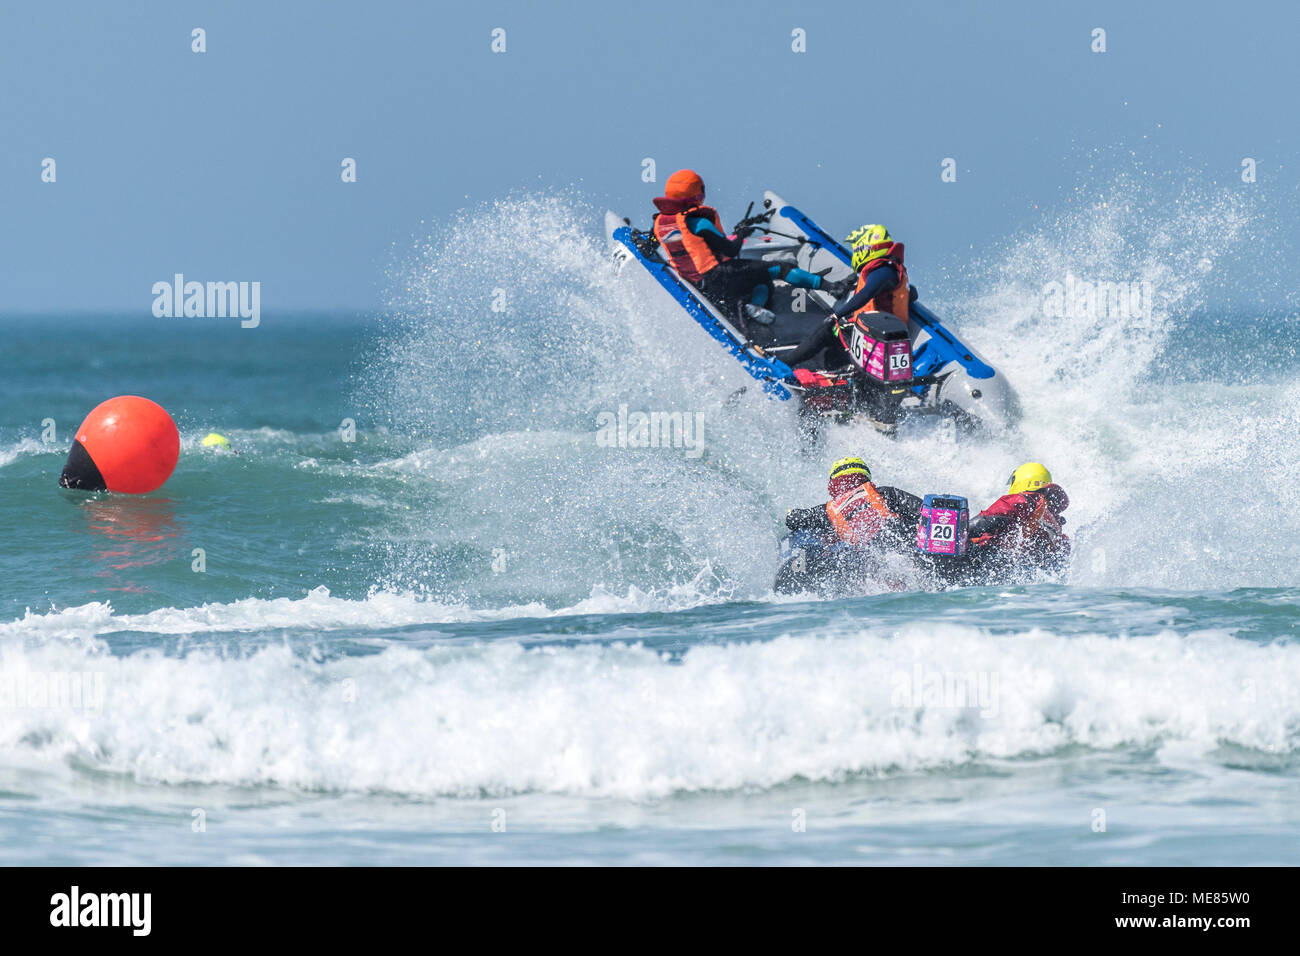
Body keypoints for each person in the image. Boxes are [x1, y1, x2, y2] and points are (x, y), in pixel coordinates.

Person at [651, 169, 850, 326]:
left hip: (699, 284)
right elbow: (731, 250)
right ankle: (833, 288)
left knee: (761, 281)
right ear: (696, 194)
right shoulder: (699, 222)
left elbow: (659, 243)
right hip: (719, 277)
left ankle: (754, 310)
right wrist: (742, 234)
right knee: (781, 269)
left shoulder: (662, 223)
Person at [780, 224, 910, 367]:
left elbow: (867, 293)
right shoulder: (891, 269)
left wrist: (836, 316)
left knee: (825, 330)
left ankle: (785, 362)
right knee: (830, 353)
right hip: (880, 333)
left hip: (874, 337)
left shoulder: (883, 271)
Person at [785, 456, 921, 548]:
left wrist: (790, 513)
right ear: (865, 476)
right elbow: (923, 510)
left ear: (833, 484)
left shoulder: (827, 511)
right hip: (902, 544)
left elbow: (794, 519)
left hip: (871, 560)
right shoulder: (885, 493)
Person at [968, 462, 1070, 565]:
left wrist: (963, 529)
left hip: (992, 562)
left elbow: (987, 519)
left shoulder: (1022, 500)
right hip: (1027, 568)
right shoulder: (1053, 519)